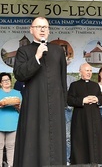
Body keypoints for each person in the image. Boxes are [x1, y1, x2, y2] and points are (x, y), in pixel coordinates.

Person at [13, 17, 67, 167]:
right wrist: (36, 57)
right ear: (31, 30)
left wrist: (63, 102)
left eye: (45, 27)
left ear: (49, 31)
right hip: (34, 105)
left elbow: (63, 77)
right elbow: (19, 74)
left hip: (55, 105)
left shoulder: (57, 51)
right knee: (33, 139)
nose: (42, 29)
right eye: (38, 27)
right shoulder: (23, 51)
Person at [67, 63, 102, 167]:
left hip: (94, 118)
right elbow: (69, 100)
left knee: (96, 140)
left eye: (90, 71)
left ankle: (97, 162)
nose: (89, 73)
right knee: (81, 141)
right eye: (87, 71)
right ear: (80, 72)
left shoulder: (95, 85)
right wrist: (83, 100)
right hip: (80, 118)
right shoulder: (74, 85)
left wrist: (97, 99)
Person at [0, 72, 22, 167]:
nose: (6, 82)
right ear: (0, 83)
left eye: (8, 80)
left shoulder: (17, 93)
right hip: (0, 124)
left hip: (13, 124)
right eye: (4, 80)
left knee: (11, 148)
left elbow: (21, 109)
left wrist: (17, 107)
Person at [65, 75, 76, 165]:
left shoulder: (72, 79)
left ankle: (67, 160)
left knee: (67, 136)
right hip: (54, 110)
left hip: (67, 110)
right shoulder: (51, 77)